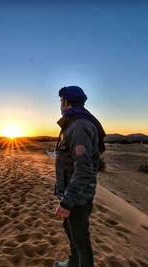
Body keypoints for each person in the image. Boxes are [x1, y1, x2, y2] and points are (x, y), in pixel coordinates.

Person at [53, 86, 106, 267]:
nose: (60, 105)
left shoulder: (78, 126)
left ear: (66, 102)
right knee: (71, 232)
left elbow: (83, 169)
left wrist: (67, 201)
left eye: (61, 101)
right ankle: (73, 264)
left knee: (81, 242)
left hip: (78, 198)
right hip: (75, 194)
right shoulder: (76, 123)